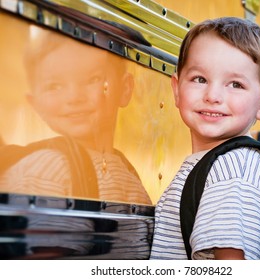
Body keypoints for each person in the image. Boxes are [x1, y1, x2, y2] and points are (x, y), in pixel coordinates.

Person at [150, 17, 260, 260]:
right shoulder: (218, 164)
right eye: (199, 79)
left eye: (235, 84)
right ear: (177, 89)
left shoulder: (233, 169)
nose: (213, 96)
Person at [0, 25, 151, 206]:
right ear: (36, 104)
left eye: (92, 79)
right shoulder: (45, 170)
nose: (74, 98)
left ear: (125, 88)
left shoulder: (127, 173)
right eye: (55, 86)